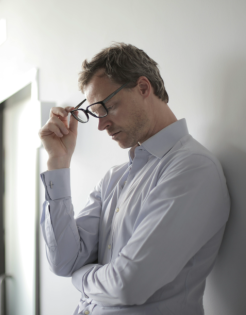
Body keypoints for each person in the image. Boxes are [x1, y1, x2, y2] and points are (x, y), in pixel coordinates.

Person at [38, 43, 230, 315]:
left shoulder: (193, 168)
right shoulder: (114, 178)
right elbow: (63, 261)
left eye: (107, 107)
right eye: (95, 112)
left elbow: (128, 285)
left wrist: (81, 278)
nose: (101, 125)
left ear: (143, 87)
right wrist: (58, 162)